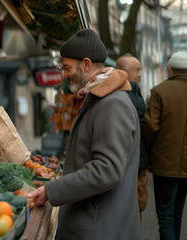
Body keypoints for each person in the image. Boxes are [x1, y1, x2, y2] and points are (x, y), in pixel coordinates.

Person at [26, 29, 141, 239]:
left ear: (86, 64)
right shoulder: (98, 99)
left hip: (100, 229)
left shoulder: (112, 104)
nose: (64, 74)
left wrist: (51, 191)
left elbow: (107, 169)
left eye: (67, 68)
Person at [142, 51, 187, 240]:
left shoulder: (160, 91)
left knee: (166, 216)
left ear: (169, 69)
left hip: (164, 164)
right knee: (178, 214)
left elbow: (150, 126)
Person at [116, 54, 150, 221]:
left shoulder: (135, 91)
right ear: (124, 72)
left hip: (138, 161)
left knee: (138, 207)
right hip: (128, 162)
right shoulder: (120, 95)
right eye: (137, 70)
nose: (140, 74)